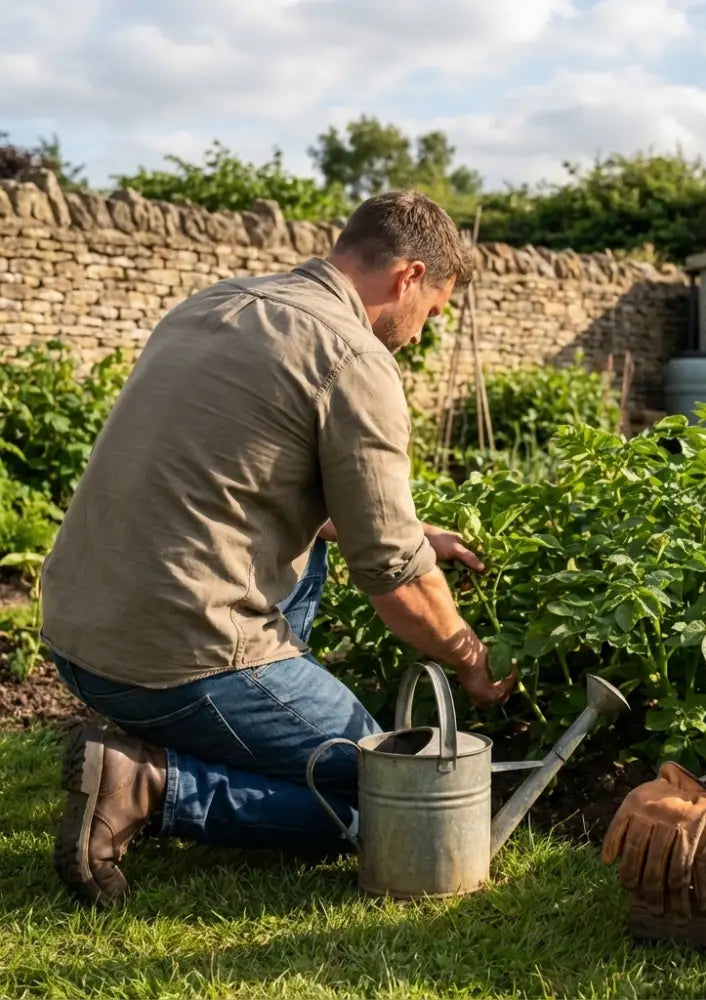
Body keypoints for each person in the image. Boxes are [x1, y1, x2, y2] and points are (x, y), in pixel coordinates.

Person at [40, 189, 517, 906]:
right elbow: (393, 574)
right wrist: (471, 660)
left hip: (80, 640)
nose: (420, 335)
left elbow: (235, 483)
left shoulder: (213, 304)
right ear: (410, 277)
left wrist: (415, 533)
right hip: (176, 660)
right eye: (433, 313)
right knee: (389, 797)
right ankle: (148, 785)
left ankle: (163, 743)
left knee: (316, 556)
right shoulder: (352, 356)